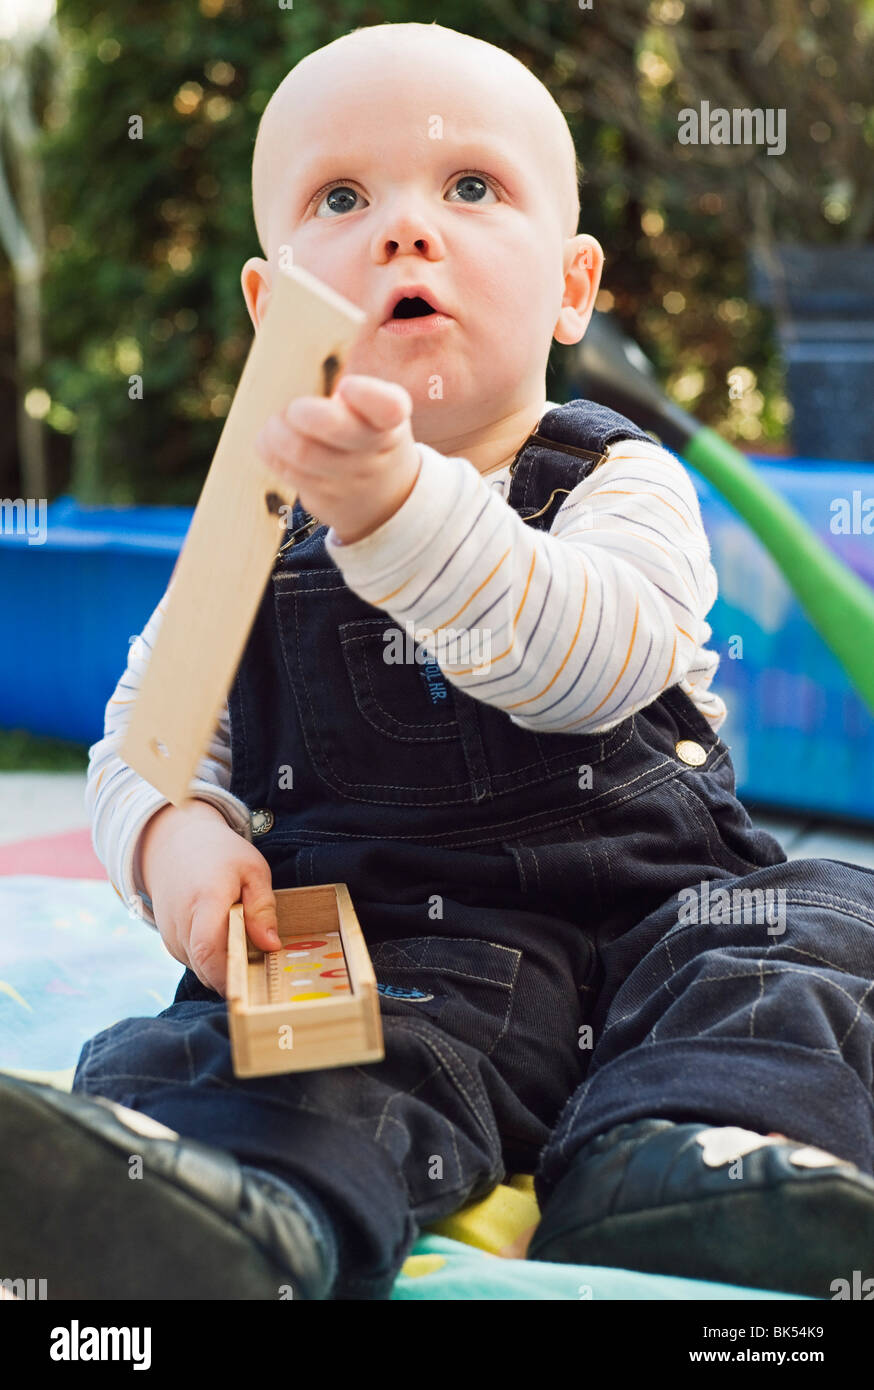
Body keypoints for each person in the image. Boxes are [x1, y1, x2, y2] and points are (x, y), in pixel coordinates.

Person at [4, 20, 874, 1302]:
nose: (407, 230)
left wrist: (396, 512)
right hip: (402, 954)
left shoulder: (619, 482)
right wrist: (175, 840)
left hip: (658, 919)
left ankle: (687, 1156)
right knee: (274, 1046)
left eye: (470, 188)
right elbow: (151, 731)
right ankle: (224, 1209)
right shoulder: (254, 516)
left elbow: (587, 656)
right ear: (272, 305)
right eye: (342, 198)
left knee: (819, 924)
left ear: (572, 285)